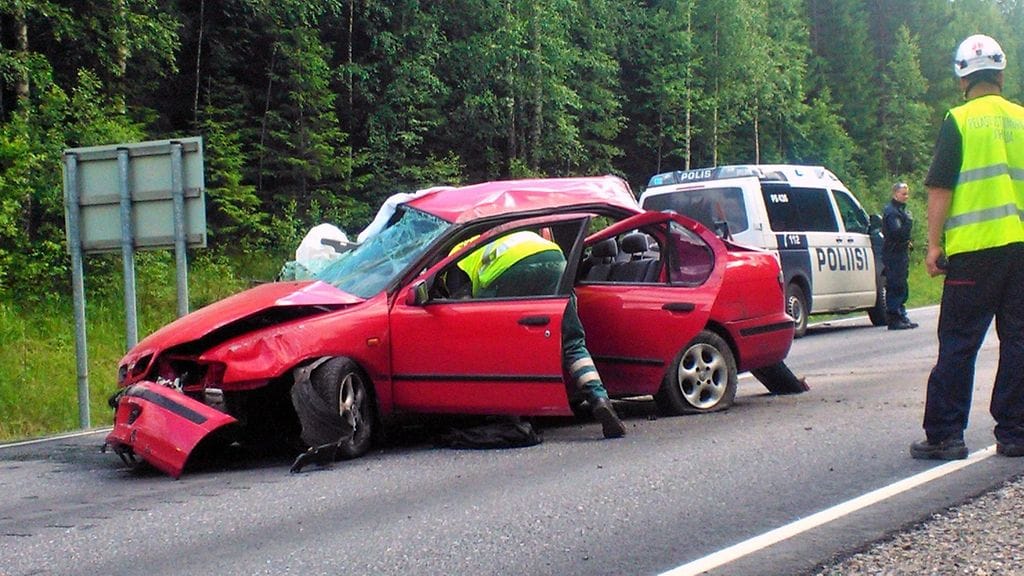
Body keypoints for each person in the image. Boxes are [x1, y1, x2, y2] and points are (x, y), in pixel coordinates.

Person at [910, 34, 1024, 460]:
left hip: (975, 251)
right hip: (1020, 250)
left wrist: (933, 246)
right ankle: (1015, 432)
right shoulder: (1021, 119)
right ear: (1001, 73)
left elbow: (940, 187)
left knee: (959, 342)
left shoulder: (958, 120)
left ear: (963, 78)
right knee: (1019, 341)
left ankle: (945, 434)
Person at [454, 230, 627, 439]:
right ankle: (599, 399)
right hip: (553, 257)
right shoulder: (497, 234)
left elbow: (461, 305)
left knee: (502, 344)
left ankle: (516, 414)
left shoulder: (455, 258)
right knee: (572, 341)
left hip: (511, 269)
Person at [881, 182, 918, 330]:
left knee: (902, 284)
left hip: (901, 253)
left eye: (907, 194)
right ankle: (894, 317)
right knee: (895, 285)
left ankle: (902, 315)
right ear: (895, 194)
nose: (906, 197)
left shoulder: (900, 211)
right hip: (893, 254)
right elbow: (897, 233)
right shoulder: (892, 212)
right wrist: (908, 223)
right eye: (903, 194)